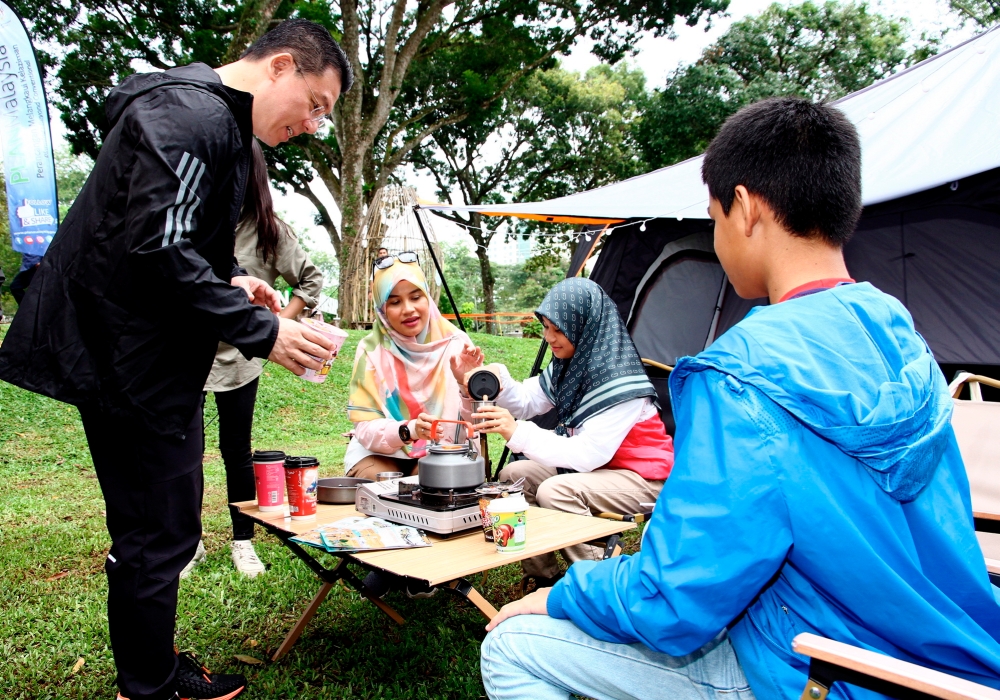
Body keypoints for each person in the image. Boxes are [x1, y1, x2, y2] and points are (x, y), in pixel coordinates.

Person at [479, 97, 1000, 700]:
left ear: (745, 208)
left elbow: (677, 598)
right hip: (952, 662)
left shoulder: (741, 375)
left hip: (823, 667)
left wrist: (563, 593)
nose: (717, 237)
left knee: (513, 647)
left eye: (712, 217)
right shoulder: (900, 332)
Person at [0, 19, 352, 700]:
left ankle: (151, 668)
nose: (313, 125)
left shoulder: (202, 117)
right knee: (159, 531)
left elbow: (160, 235)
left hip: (136, 356)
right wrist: (263, 331)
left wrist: (228, 282)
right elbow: (155, 251)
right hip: (131, 364)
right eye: (318, 105)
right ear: (281, 66)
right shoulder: (193, 116)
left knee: (153, 527)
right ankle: (151, 687)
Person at [468, 278, 673, 592]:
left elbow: (588, 453)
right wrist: (498, 379)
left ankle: (601, 586)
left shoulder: (620, 381)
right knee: (513, 475)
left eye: (558, 329)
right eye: (546, 327)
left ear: (586, 326)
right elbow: (526, 402)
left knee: (556, 491)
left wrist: (516, 432)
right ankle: (544, 578)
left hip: (643, 479)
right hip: (600, 471)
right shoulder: (571, 365)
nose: (549, 337)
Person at [191, 140, 324, 579]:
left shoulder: (270, 230)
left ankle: (242, 542)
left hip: (241, 360)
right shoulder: (196, 217)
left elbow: (311, 278)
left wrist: (273, 331)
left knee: (236, 451)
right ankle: (189, 544)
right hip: (187, 355)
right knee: (185, 454)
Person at [345, 252, 480, 481]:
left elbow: (477, 422)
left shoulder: (457, 344)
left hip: (445, 450)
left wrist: (465, 385)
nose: (408, 309)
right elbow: (365, 427)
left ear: (428, 297)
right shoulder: (372, 349)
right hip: (378, 451)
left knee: (433, 484)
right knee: (379, 485)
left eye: (416, 297)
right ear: (382, 309)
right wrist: (409, 430)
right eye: (395, 302)